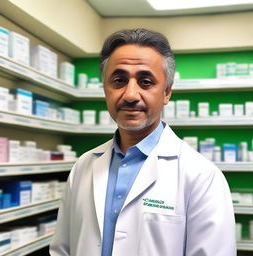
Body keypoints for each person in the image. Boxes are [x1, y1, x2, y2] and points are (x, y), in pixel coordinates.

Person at [50, 28, 236, 256]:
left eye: (145, 82)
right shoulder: (83, 167)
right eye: (118, 80)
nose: (130, 94)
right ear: (105, 89)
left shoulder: (201, 177)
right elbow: (62, 249)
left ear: (167, 92)